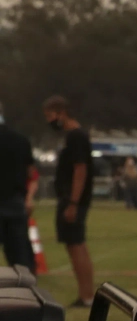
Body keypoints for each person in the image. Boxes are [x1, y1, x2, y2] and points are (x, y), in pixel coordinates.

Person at [42, 96, 96, 306]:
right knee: (73, 246)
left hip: (73, 200)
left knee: (76, 245)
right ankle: (85, 294)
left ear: (61, 113)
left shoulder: (76, 137)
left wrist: (73, 202)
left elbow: (80, 169)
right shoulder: (73, 137)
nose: (49, 121)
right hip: (70, 199)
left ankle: (87, 295)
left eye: (50, 116)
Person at [0, 110, 34, 271]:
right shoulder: (20, 140)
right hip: (15, 201)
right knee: (20, 258)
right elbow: (30, 172)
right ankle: (25, 291)